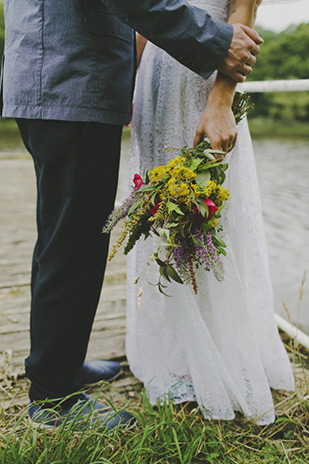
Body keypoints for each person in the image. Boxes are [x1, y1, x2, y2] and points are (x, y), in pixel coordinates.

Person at [0, 0, 262, 429]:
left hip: (58, 75)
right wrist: (216, 41)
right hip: (71, 75)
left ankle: (59, 364)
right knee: (74, 242)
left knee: (63, 236)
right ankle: (53, 397)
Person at [127, 0, 295, 425]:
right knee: (162, 217)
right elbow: (146, 15)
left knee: (206, 216)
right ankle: (174, 355)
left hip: (202, 84)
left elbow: (243, 13)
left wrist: (222, 100)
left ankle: (220, 357)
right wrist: (128, 82)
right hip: (154, 81)